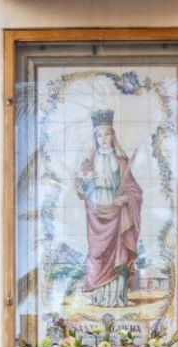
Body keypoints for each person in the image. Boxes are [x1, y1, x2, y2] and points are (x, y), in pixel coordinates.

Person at [74, 108, 143, 308]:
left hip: (118, 212)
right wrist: (80, 184)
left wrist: (125, 198)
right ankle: (100, 297)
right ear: (94, 138)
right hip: (96, 212)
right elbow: (81, 189)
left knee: (119, 252)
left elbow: (134, 189)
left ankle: (118, 297)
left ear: (113, 135)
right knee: (98, 252)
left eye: (107, 133)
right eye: (99, 135)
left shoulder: (122, 161)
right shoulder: (89, 162)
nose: (103, 138)